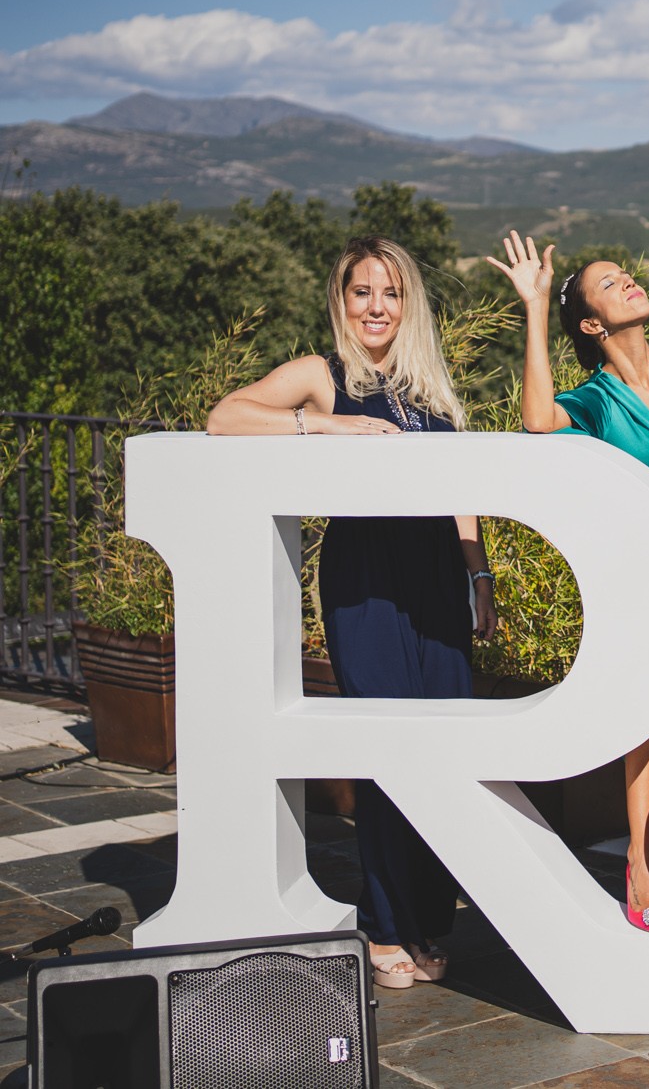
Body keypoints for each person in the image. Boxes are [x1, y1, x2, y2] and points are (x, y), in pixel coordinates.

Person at [207, 235, 495, 991]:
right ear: (341, 300)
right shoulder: (320, 374)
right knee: (387, 752)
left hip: (438, 578)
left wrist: (480, 574)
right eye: (362, 291)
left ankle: (430, 920)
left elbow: (458, 489)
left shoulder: (430, 388)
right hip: (366, 579)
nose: (376, 306)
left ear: (410, 304)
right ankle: (383, 925)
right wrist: (322, 424)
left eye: (391, 292)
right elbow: (225, 416)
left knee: (445, 751)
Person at [484, 231, 649, 935]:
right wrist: (534, 305)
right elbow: (536, 421)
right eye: (610, 283)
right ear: (591, 323)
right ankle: (642, 861)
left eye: (627, 275)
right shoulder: (593, 400)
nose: (629, 282)